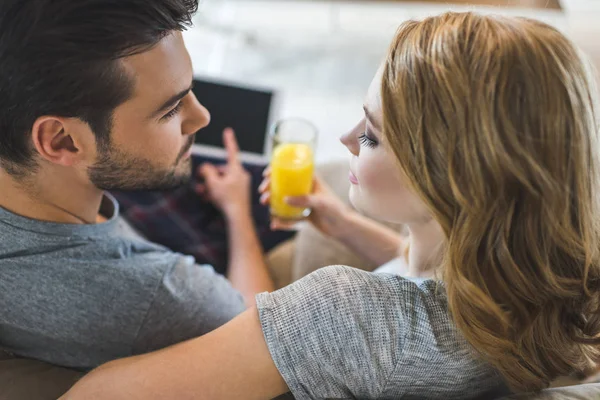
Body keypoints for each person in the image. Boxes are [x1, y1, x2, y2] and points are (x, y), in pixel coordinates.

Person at [62, 11, 600, 399]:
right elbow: (440, 291)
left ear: (451, 180)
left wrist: (236, 214)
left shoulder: (345, 313)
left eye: (373, 137)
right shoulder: (548, 283)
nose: (346, 138)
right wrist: (343, 224)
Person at [0, 0, 276, 371]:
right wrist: (238, 212)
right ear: (62, 141)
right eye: (171, 109)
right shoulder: (160, 295)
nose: (201, 116)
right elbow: (269, 335)